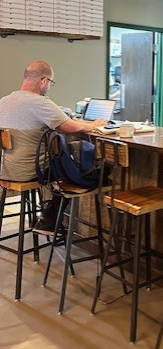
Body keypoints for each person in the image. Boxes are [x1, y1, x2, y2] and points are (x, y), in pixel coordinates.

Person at [0, 60, 107, 234]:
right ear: (43, 80)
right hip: (28, 172)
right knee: (77, 164)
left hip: (4, 170)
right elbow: (70, 127)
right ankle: (49, 219)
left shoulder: (4, 100)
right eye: (51, 82)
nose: (49, 86)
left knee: (60, 161)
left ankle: (49, 217)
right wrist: (93, 124)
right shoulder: (39, 102)